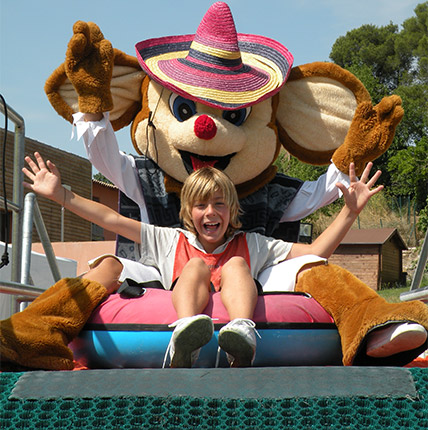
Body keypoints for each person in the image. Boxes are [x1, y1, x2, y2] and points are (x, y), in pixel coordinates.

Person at [13, 151, 423, 370]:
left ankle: (242, 330)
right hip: (182, 302)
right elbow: (110, 217)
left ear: (231, 211)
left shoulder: (252, 243)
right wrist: (62, 195)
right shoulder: (169, 239)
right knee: (189, 267)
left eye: (219, 204)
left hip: (240, 301)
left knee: (236, 267)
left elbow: (314, 254)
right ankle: (186, 331)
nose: (211, 213)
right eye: (202, 205)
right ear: (189, 211)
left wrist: (349, 214)